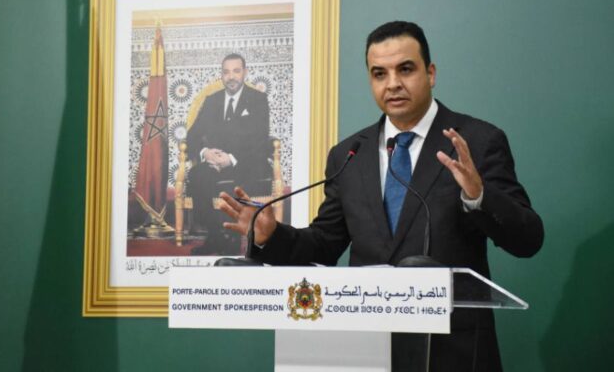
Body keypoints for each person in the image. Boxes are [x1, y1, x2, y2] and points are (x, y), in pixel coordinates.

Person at [218, 21, 544, 371]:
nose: (392, 84)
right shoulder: (349, 155)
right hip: (365, 350)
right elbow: (325, 244)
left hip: (453, 352)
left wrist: (479, 195)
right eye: (379, 73)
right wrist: (271, 235)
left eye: (406, 69)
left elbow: (527, 239)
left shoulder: (476, 141)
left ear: (430, 73)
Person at [186, 53, 272, 256]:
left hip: (247, 161)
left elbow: (261, 139)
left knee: (241, 177)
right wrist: (206, 153)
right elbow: (192, 135)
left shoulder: (258, 99)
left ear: (245, 72)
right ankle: (215, 235)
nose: (231, 76)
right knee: (197, 175)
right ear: (221, 75)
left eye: (236, 71)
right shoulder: (212, 101)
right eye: (226, 72)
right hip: (215, 163)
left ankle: (232, 237)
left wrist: (231, 159)